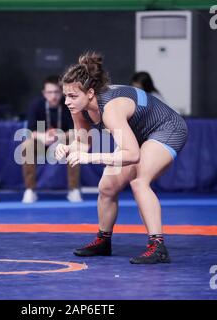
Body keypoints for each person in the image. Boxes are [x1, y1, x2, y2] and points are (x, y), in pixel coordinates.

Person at [55, 52, 188, 264]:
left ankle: (158, 246)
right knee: (107, 187)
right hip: (138, 133)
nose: (67, 102)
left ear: (90, 93)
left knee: (139, 181)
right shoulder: (78, 107)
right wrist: (68, 148)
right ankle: (103, 241)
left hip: (167, 128)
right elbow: (83, 142)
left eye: (72, 96)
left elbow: (132, 155)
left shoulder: (110, 109)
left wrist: (89, 159)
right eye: (65, 96)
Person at [21, 75, 82, 203]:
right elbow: (29, 131)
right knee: (27, 144)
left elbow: (76, 131)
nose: (53, 96)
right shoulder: (36, 105)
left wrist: (60, 136)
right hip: (42, 143)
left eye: (56, 92)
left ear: (62, 93)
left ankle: (74, 189)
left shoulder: (69, 105)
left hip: (63, 142)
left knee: (75, 143)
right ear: (44, 93)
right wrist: (43, 136)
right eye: (49, 92)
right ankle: (29, 190)